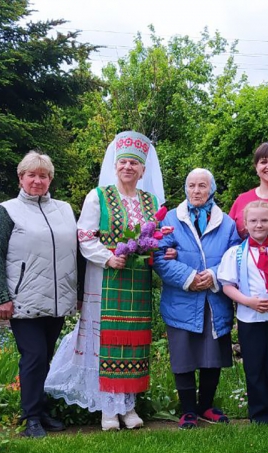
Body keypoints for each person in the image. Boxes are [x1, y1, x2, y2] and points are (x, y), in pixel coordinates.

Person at [45, 131, 162, 431]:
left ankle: (130, 404)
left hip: (136, 281)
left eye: (134, 164)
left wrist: (157, 250)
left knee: (133, 340)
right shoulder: (98, 196)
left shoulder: (149, 201)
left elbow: (154, 236)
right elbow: (84, 235)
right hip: (105, 276)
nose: (128, 168)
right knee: (106, 338)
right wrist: (107, 257)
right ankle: (108, 408)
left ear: (142, 170)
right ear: (115, 165)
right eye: (123, 162)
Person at [0, 151, 78, 439]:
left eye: (43, 175)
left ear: (50, 179)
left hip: (58, 298)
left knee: (45, 357)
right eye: (32, 175)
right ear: (21, 177)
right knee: (34, 356)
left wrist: (79, 291)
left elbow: (78, 250)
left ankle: (40, 409)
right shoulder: (7, 210)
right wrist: (1, 295)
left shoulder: (64, 209)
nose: (37, 180)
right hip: (22, 298)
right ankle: (30, 418)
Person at [153, 169, 240, 429]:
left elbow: (234, 254)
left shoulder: (226, 223)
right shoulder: (171, 218)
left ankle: (207, 406)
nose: (196, 191)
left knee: (211, 353)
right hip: (181, 297)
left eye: (202, 185)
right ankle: (188, 410)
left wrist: (213, 276)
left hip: (213, 299)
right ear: (185, 189)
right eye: (191, 185)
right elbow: (158, 255)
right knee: (184, 353)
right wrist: (189, 277)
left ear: (212, 189)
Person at [218, 201, 268, 424]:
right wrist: (248, 301)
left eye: (264, 220)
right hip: (249, 319)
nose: (259, 225)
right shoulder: (235, 253)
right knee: (255, 367)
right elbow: (227, 286)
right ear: (244, 224)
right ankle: (260, 416)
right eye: (253, 220)